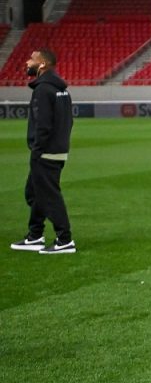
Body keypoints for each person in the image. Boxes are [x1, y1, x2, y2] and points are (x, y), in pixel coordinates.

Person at [11, 49, 75, 255]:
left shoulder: (43, 90)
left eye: (32, 59)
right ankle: (35, 235)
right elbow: (69, 121)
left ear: (42, 65)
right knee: (34, 192)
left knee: (48, 195)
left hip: (45, 152)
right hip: (57, 149)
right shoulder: (61, 90)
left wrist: (37, 150)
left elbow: (43, 125)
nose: (27, 62)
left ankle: (64, 239)